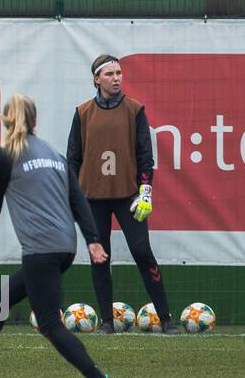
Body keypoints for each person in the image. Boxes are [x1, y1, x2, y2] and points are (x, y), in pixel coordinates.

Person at [0, 94, 113, 378]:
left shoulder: (4, 155)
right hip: (64, 246)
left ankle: (96, 377)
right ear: (35, 121)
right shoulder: (54, 154)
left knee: (49, 324)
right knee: (1, 301)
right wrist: (93, 240)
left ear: (5, 120)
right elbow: (78, 201)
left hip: (42, 250)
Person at [66, 54, 177, 333]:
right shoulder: (82, 112)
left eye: (119, 73)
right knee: (100, 256)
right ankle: (106, 321)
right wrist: (74, 196)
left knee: (142, 252)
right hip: (93, 198)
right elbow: (72, 160)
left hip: (129, 196)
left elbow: (145, 156)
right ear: (96, 79)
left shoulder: (135, 110)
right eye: (110, 74)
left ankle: (166, 319)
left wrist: (145, 192)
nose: (116, 78)